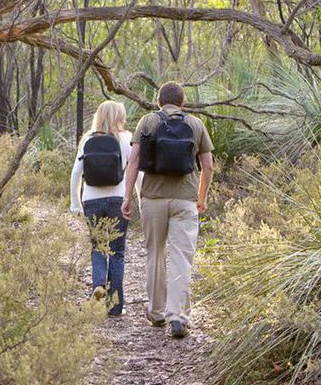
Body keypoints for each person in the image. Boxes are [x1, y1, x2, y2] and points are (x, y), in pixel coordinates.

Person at [121, 82, 214, 339]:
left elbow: (134, 161)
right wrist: (201, 197)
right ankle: (178, 316)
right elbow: (208, 166)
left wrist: (127, 196)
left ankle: (157, 312)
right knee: (181, 257)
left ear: (159, 101)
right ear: (182, 102)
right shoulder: (195, 124)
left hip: (152, 198)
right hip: (185, 200)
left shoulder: (148, 122)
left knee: (155, 254)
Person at [70, 101, 132, 316]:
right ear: (119, 117)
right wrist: (138, 201)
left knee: (97, 246)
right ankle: (115, 306)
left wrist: (75, 204)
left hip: (91, 200)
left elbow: (76, 173)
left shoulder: (87, 139)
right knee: (117, 251)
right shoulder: (126, 139)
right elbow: (136, 173)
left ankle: (98, 284)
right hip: (118, 199)